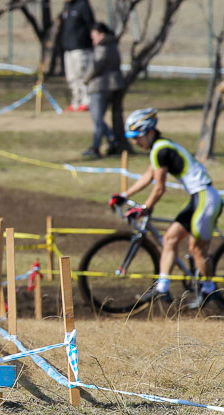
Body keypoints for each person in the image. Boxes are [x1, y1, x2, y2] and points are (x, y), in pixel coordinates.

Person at [109, 108, 222, 308]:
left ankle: (208, 289)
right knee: (169, 238)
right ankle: (162, 287)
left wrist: (145, 208)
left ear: (150, 131)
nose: (135, 142)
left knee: (196, 248)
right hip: (198, 197)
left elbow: (159, 188)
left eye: (137, 136)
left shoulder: (161, 149)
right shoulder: (159, 148)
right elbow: (149, 176)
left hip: (206, 198)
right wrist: (125, 195)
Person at [82, 22, 126, 158]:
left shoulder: (103, 47)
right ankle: (113, 141)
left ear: (102, 34)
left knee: (97, 118)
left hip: (100, 86)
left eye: (94, 35)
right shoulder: (113, 45)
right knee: (99, 119)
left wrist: (85, 79)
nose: (92, 39)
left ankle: (97, 146)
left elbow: (96, 66)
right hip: (114, 84)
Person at [60, 0, 95, 112]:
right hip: (69, 48)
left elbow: (91, 25)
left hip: (81, 48)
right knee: (72, 78)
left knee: (83, 76)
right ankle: (75, 102)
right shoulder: (68, 6)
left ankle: (86, 102)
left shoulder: (83, 5)